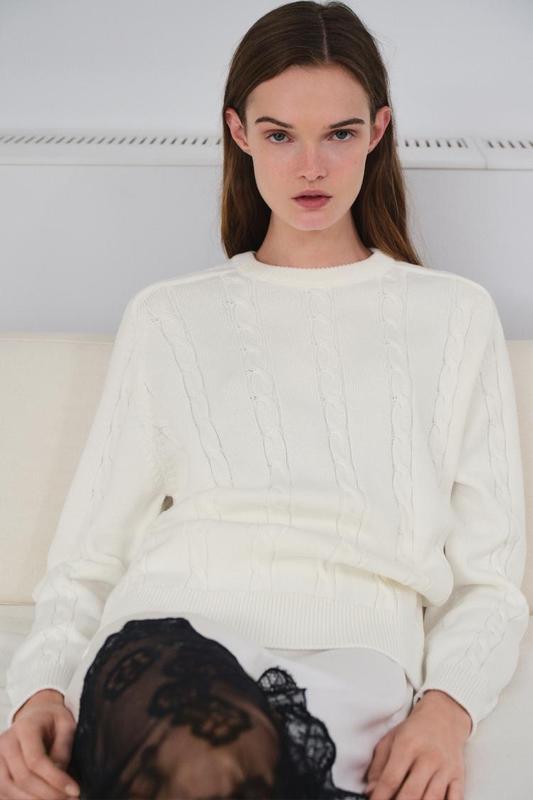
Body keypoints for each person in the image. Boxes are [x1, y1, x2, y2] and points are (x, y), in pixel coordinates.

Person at [1, 1, 529, 799]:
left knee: (230, 763)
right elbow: (88, 557)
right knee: (201, 754)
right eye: (280, 135)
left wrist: (447, 709)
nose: (309, 167)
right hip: (172, 638)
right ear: (239, 133)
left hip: (356, 663)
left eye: (338, 134)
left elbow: (489, 578)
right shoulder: (169, 317)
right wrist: (39, 687)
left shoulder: (453, 317)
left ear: (378, 132)